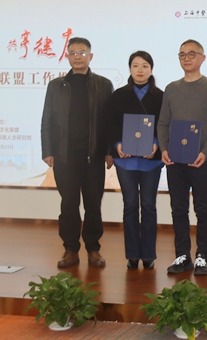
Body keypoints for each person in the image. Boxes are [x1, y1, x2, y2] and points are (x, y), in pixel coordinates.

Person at [40, 36, 114, 269]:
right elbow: (47, 119)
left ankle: (93, 249)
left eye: (82, 53)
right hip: (65, 156)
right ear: (67, 56)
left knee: (93, 205)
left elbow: (110, 122)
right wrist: (47, 150)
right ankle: (70, 249)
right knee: (69, 205)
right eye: (73, 53)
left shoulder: (103, 85)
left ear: (90, 56)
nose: (77, 57)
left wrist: (109, 151)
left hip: (94, 155)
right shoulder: (56, 86)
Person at [157, 40, 207, 276]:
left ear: (202, 58)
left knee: (203, 209)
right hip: (174, 160)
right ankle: (182, 255)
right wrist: (164, 148)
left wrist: (205, 152)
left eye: (192, 54)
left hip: (201, 161)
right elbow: (163, 123)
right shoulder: (171, 88)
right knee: (178, 209)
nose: (186, 58)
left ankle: (202, 256)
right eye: (182, 54)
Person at [104, 51, 164, 270]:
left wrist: (156, 144)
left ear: (151, 69)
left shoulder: (161, 96)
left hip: (151, 160)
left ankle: (148, 254)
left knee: (148, 205)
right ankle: (131, 254)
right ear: (129, 69)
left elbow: (165, 123)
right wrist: (117, 144)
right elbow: (110, 124)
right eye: (136, 65)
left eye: (145, 66)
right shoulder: (119, 95)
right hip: (125, 160)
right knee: (130, 205)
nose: (140, 70)